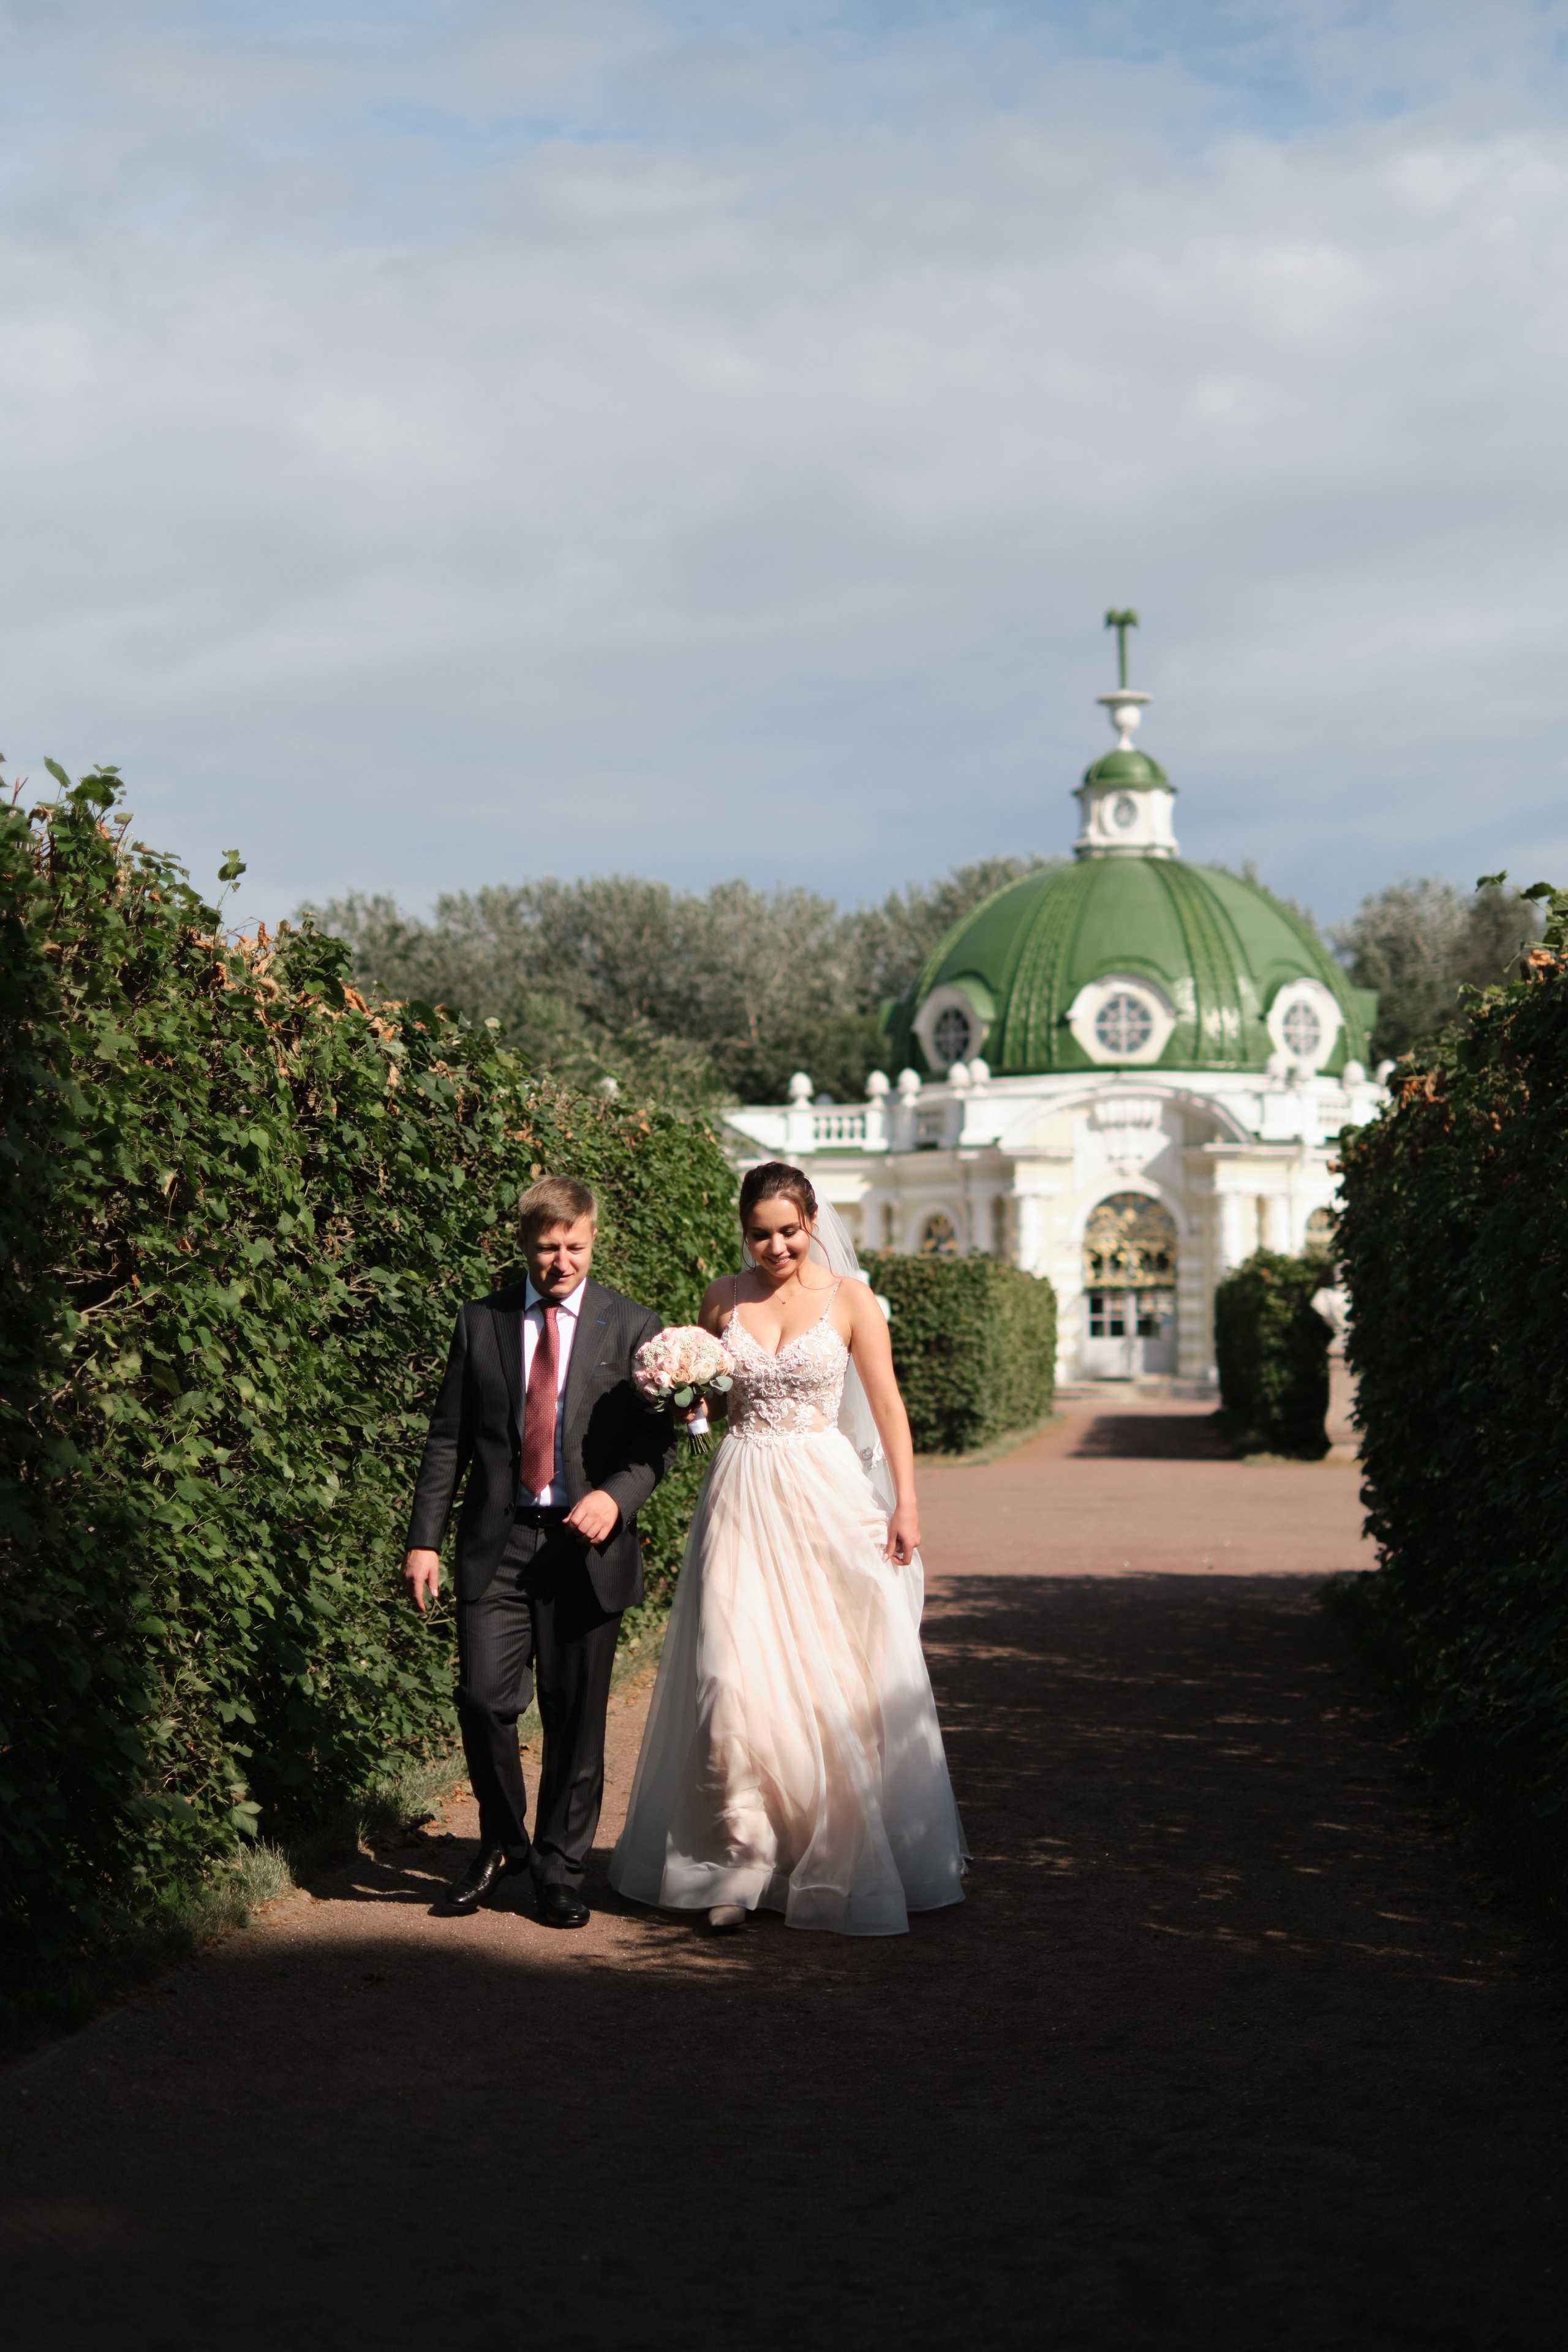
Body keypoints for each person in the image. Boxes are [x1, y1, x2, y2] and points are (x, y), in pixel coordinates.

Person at [609, 1161, 967, 1937]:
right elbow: (706, 1399)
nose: (775, 1246)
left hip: (824, 1492)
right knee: (727, 1674)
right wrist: (687, 1397)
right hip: (740, 1491)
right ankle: (738, 1859)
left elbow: (887, 1405)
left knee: (830, 1677)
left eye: (788, 1230)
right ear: (744, 1232)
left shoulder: (851, 1301)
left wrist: (905, 1503)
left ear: (811, 1222)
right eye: (760, 1233)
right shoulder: (720, 1298)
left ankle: (833, 1852)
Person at [404, 1175, 674, 1929]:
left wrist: (615, 1496)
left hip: (586, 1549)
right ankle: (502, 1843)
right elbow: (448, 1439)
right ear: (523, 1242)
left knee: (575, 1718)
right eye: (548, 1247)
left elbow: (655, 1444)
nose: (562, 1262)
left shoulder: (632, 1328)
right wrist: (424, 1538)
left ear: (594, 1238)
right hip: (500, 1543)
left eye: (576, 1247)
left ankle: (560, 1869)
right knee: (484, 1701)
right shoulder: (480, 1322)